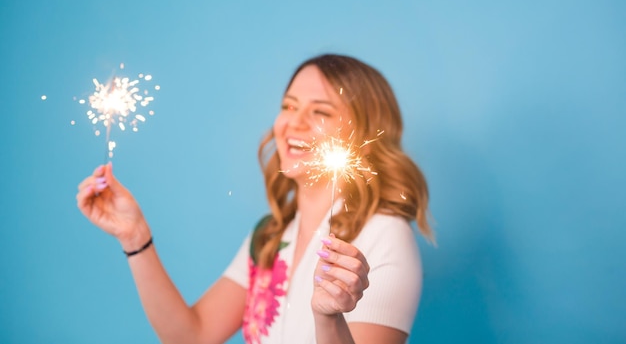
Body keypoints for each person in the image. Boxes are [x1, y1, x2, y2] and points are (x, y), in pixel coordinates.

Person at [76, 54, 434, 344]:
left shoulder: (384, 236)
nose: (295, 123)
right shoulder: (270, 238)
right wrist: (136, 238)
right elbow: (192, 336)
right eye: (289, 106)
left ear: (362, 135)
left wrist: (328, 318)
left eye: (321, 112)